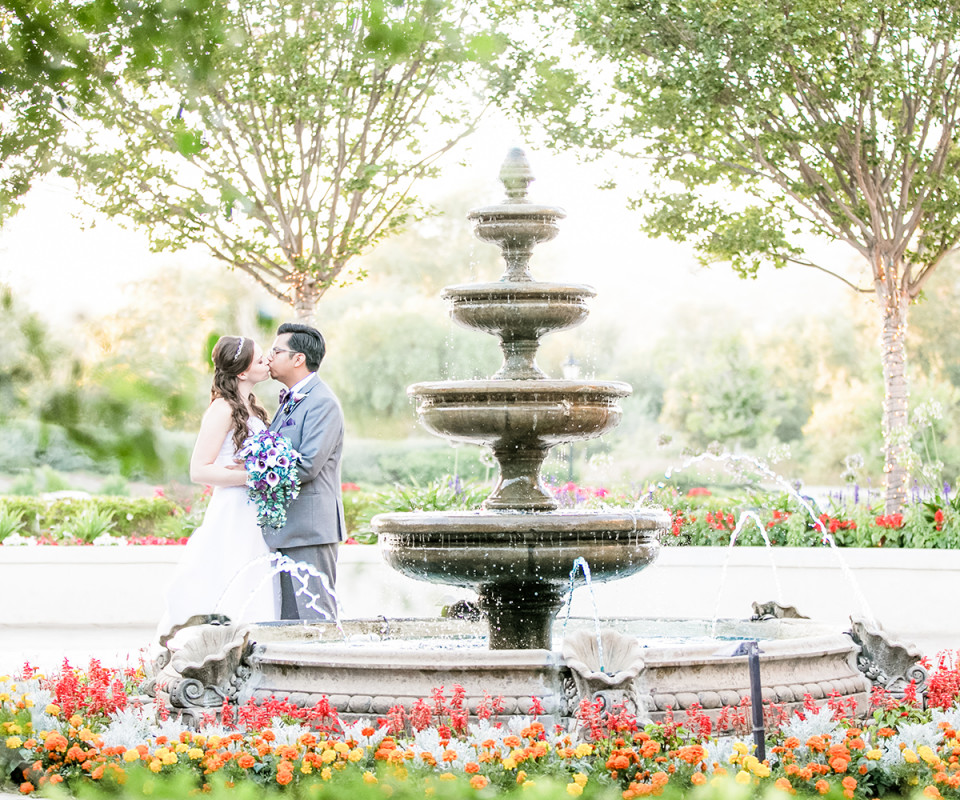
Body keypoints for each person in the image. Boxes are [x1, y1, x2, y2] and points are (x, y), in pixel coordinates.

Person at [156, 336, 277, 643]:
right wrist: (254, 475)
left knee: (254, 578)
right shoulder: (222, 409)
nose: (267, 361)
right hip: (233, 509)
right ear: (242, 372)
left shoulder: (251, 407)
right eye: (260, 358)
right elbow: (199, 469)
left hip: (255, 510)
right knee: (231, 574)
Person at [264, 322, 346, 621]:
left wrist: (256, 476)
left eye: (276, 351)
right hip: (288, 529)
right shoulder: (292, 399)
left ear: (298, 359)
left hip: (310, 531)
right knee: (289, 623)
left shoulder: (322, 402)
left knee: (316, 621)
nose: (269, 357)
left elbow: (308, 464)